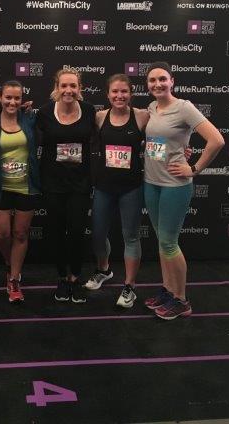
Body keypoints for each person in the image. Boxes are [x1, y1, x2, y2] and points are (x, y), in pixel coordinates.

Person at [143, 61, 224, 320]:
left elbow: (217, 140)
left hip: (174, 186)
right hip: (151, 183)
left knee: (169, 243)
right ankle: (168, 291)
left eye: (162, 79)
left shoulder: (184, 107)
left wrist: (194, 168)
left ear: (172, 81)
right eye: (152, 80)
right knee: (162, 241)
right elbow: (159, 142)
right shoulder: (152, 108)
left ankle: (181, 300)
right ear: (147, 84)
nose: (157, 84)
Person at [85, 74, 148, 308]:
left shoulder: (142, 116)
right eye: (115, 91)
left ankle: (129, 286)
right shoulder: (100, 117)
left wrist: (183, 150)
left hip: (131, 187)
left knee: (131, 236)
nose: (119, 96)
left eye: (124, 91)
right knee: (98, 234)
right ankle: (104, 270)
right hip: (104, 187)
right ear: (108, 94)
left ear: (131, 94)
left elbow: (164, 135)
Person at [37, 68, 95, 303]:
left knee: (78, 231)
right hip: (53, 183)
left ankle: (75, 278)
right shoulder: (44, 112)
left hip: (80, 183)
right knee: (57, 232)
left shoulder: (89, 111)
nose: (68, 90)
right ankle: (62, 277)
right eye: (64, 86)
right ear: (57, 87)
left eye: (73, 86)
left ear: (79, 88)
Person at [0, 80, 41, 302]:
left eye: (17, 98)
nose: (12, 102)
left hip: (26, 186)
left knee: (20, 234)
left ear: (22, 100)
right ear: (0, 97)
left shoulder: (29, 118)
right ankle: (10, 264)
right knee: (2, 234)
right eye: (8, 97)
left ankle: (14, 278)